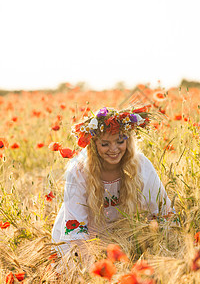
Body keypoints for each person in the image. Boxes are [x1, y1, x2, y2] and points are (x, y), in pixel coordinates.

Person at [52, 106, 173, 256]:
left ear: (128, 141)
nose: (114, 149)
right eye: (105, 144)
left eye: (120, 141)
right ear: (94, 145)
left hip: (127, 236)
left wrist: (167, 243)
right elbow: (76, 226)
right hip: (86, 240)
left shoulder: (141, 165)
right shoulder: (79, 171)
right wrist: (88, 268)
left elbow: (161, 208)